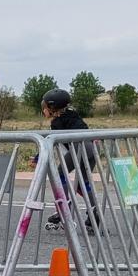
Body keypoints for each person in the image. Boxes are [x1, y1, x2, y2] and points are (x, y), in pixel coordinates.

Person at [40, 88, 98, 231]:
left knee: (59, 174)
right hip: (92, 147)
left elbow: (51, 142)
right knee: (83, 184)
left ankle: (63, 210)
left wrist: (38, 157)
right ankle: (95, 215)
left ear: (52, 108)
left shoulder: (57, 122)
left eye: (45, 107)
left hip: (80, 147)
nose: (43, 111)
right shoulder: (72, 114)